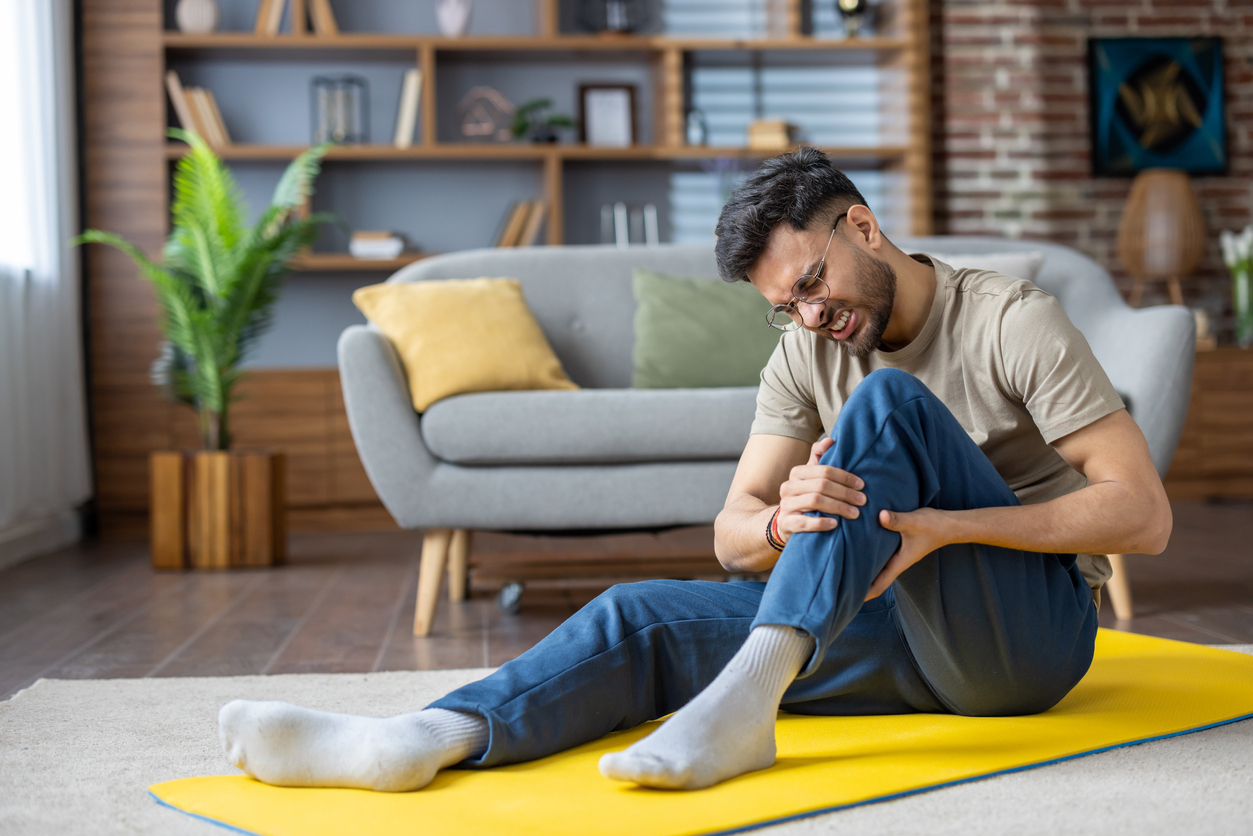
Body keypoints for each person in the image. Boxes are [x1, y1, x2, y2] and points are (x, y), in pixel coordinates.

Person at [218, 148, 1172, 793]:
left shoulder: (1010, 319)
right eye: (782, 306)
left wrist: (949, 526)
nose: (807, 318)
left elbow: (1141, 516)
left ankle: (748, 699)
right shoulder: (803, 350)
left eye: (810, 285)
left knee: (884, 407)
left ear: (863, 228)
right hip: (901, 627)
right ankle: (421, 740)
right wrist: (779, 523)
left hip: (1026, 640)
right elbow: (730, 531)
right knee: (640, 613)